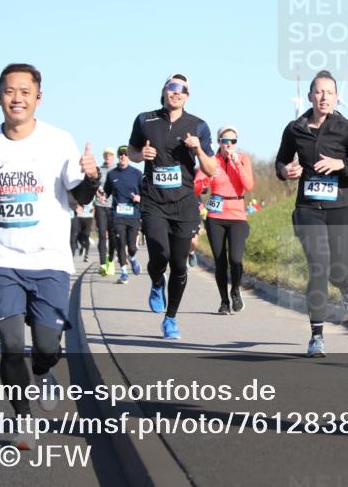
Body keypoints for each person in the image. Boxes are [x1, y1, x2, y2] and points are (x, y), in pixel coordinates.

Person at [0, 63, 100, 451]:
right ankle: (23, 420)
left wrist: (92, 177)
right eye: (9, 91)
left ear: (37, 98)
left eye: (24, 91)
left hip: (50, 260)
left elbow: (79, 197)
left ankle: (46, 371)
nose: (16, 98)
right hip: (2, 259)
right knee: (12, 344)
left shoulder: (58, 140)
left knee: (46, 347)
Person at [275, 70, 348, 357]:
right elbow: (281, 161)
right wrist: (285, 171)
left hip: (340, 208)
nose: (324, 97)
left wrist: (342, 165)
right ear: (310, 96)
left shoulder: (347, 129)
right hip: (308, 209)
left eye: (329, 92)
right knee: (318, 266)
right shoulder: (294, 128)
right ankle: (316, 335)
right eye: (319, 91)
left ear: (337, 97)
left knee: (337, 268)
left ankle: (346, 285)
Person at [128, 75, 216, 340]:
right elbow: (132, 151)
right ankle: (157, 281)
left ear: (188, 96)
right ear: (164, 92)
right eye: (172, 87)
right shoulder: (145, 120)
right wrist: (140, 155)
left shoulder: (198, 125)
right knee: (159, 254)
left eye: (182, 89)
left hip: (184, 203)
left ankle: (171, 318)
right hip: (154, 200)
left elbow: (211, 169)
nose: (177, 92)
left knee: (179, 264)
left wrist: (199, 150)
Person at [194, 126, 255, 315]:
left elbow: (249, 185)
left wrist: (236, 163)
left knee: (235, 259)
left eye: (232, 141)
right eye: (224, 140)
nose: (228, 144)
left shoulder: (243, 159)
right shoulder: (212, 161)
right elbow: (197, 187)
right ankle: (224, 301)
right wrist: (207, 179)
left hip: (237, 216)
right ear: (218, 142)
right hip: (216, 216)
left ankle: (235, 290)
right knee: (220, 261)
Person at [104, 145, 143, 284]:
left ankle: (132, 258)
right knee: (120, 243)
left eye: (125, 154)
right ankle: (124, 273)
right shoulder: (112, 174)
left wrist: (139, 198)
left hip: (133, 215)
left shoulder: (137, 174)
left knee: (132, 246)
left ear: (129, 157)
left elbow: (146, 194)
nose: (123, 156)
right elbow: (106, 192)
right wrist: (103, 196)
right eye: (120, 154)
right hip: (118, 215)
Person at [94, 147, 118, 276]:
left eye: (110, 155)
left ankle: (110, 261)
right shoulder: (99, 170)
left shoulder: (117, 170)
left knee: (113, 236)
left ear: (113, 156)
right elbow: (93, 183)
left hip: (113, 206)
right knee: (102, 235)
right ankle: (103, 264)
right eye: (106, 155)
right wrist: (96, 189)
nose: (108, 157)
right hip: (100, 205)